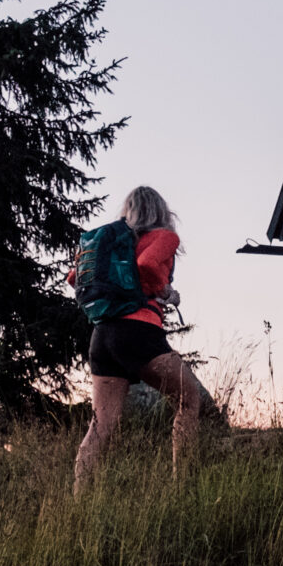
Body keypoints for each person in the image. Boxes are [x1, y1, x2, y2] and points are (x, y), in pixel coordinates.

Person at [72, 186, 204, 491]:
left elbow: (74, 277)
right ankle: (182, 488)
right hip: (139, 332)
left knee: (101, 425)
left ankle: (79, 502)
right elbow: (147, 265)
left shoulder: (111, 243)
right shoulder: (164, 237)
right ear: (161, 211)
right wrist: (166, 292)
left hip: (102, 335)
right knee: (189, 398)